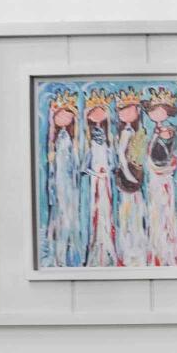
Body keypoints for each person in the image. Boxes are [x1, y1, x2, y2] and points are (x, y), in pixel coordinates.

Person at [42, 87, 85, 268]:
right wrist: (51, 121)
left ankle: (71, 252)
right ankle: (59, 253)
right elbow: (51, 158)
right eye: (60, 116)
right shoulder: (56, 139)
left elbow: (76, 157)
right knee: (59, 214)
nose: (64, 119)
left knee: (70, 214)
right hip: (58, 181)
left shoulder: (72, 139)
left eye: (68, 116)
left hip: (69, 181)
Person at [110, 88, 153, 266]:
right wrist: (128, 175)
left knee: (136, 212)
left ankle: (137, 250)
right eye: (123, 110)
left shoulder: (137, 130)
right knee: (131, 213)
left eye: (131, 109)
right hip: (129, 179)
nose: (127, 113)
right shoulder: (126, 131)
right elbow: (121, 155)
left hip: (135, 175)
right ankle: (131, 252)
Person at [144, 87, 177, 266]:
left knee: (165, 211)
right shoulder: (155, 131)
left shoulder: (169, 131)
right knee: (155, 212)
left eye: (159, 111)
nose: (155, 114)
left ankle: (167, 252)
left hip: (163, 176)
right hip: (155, 177)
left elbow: (165, 154)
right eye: (153, 111)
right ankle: (157, 251)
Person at [83, 90, 122, 267]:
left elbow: (113, 164)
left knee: (107, 214)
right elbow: (84, 167)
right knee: (96, 213)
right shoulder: (89, 145)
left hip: (106, 183)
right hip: (95, 183)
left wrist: (106, 173)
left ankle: (108, 249)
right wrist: (96, 174)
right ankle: (96, 250)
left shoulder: (108, 144)